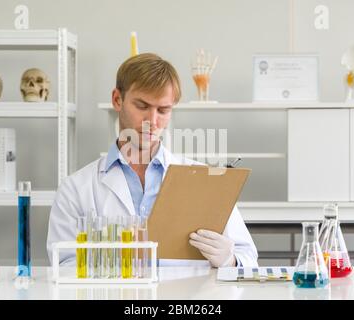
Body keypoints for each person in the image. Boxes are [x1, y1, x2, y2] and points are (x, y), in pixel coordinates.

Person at [47, 53, 258, 267]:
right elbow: (64, 265)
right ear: (117, 100)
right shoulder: (76, 189)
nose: (152, 121)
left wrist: (230, 260)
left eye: (163, 110)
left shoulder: (206, 181)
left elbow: (248, 257)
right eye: (142, 106)